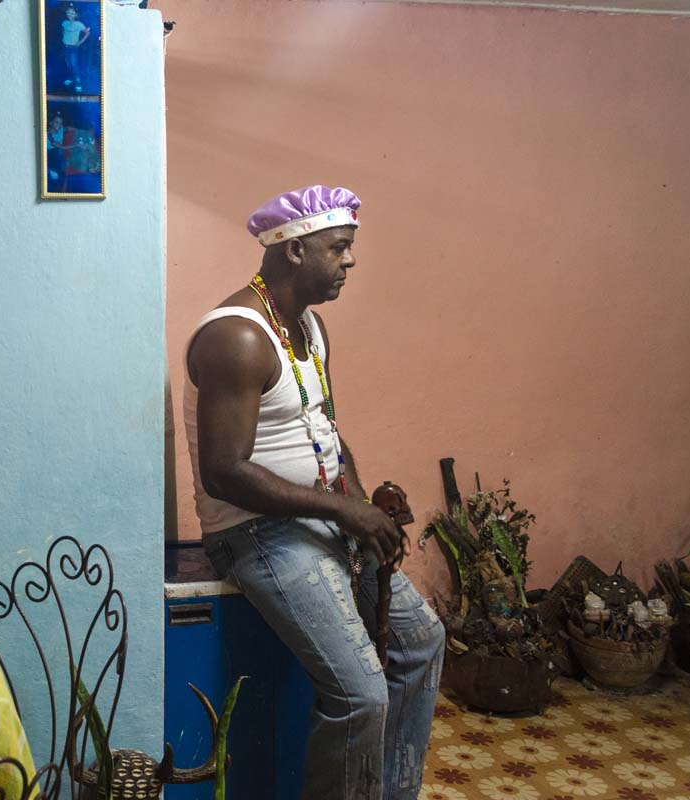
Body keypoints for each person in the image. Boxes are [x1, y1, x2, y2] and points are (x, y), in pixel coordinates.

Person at [182, 186, 444, 800]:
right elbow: (224, 471)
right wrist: (341, 509)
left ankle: (390, 792)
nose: (350, 262)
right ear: (295, 251)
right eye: (339, 248)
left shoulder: (310, 327)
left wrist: (364, 505)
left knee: (422, 641)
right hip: (255, 534)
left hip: (319, 522)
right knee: (359, 694)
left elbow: (325, 432)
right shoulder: (238, 338)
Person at [60, 4, 90, 93]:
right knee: (68, 63)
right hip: (65, 46)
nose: (70, 15)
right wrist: (65, 40)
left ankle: (78, 82)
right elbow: (63, 31)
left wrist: (80, 42)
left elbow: (87, 33)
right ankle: (69, 78)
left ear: (76, 14)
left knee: (74, 65)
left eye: (72, 13)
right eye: (68, 13)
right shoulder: (64, 23)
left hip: (74, 48)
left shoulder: (79, 24)